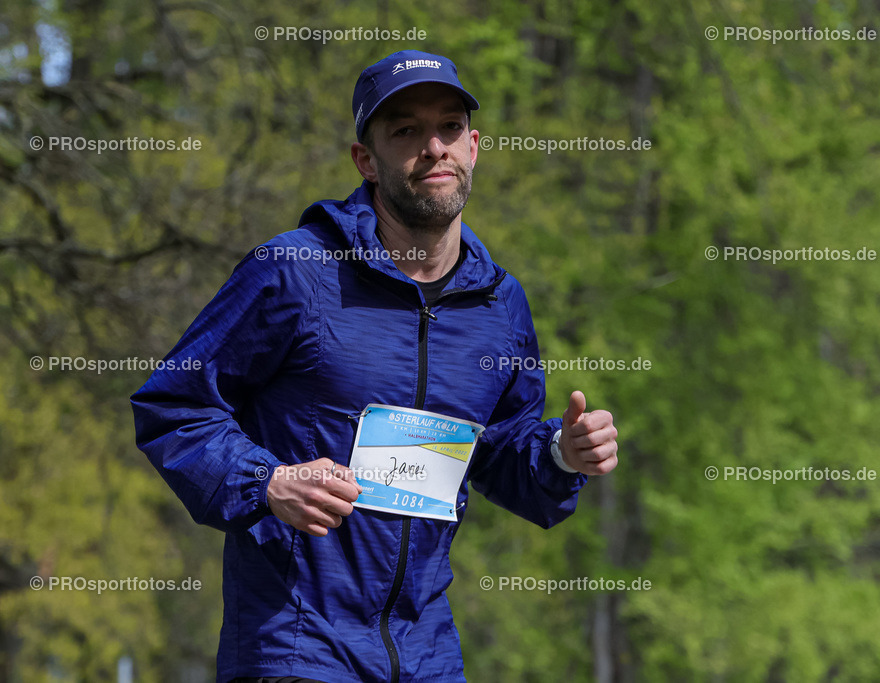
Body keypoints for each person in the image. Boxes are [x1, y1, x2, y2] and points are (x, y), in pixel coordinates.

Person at [130, 49, 619, 683]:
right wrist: (268, 481)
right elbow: (174, 406)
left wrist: (560, 454)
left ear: (474, 147)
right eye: (406, 131)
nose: (434, 148)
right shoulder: (294, 271)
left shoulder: (500, 304)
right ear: (366, 160)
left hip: (428, 656)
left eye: (449, 127)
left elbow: (499, 451)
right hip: (296, 648)